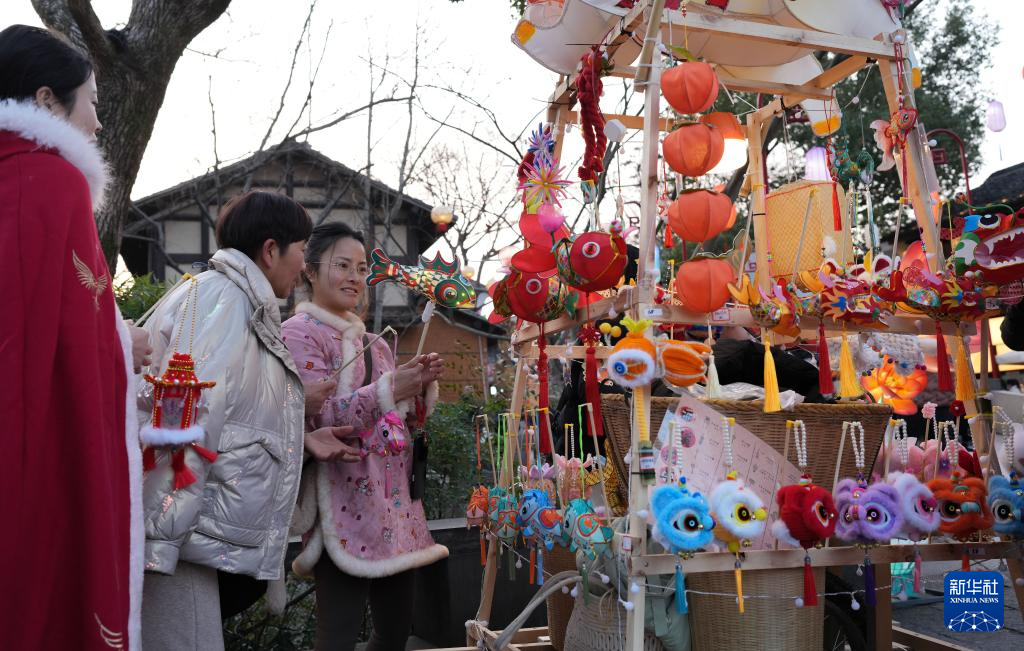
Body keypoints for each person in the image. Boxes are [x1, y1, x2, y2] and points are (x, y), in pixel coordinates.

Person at [137, 192, 360, 650]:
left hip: (192, 535)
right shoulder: (223, 302)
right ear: (271, 250)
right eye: (302, 250)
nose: (303, 266)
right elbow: (185, 419)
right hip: (181, 543)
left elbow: (234, 412)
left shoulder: (235, 301)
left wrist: (301, 436)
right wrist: (159, 542)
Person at [0, 24, 152, 651]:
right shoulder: (55, 183)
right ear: (46, 100)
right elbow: (61, 336)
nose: (97, 122)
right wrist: (122, 344)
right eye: (91, 101)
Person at [283, 222, 448, 651]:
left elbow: (398, 426)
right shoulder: (298, 333)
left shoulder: (378, 343)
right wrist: (392, 388)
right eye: (342, 265)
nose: (354, 277)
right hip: (342, 502)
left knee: (394, 634)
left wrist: (417, 389)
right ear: (310, 271)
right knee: (337, 637)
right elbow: (319, 418)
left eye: (360, 268)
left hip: (395, 505)